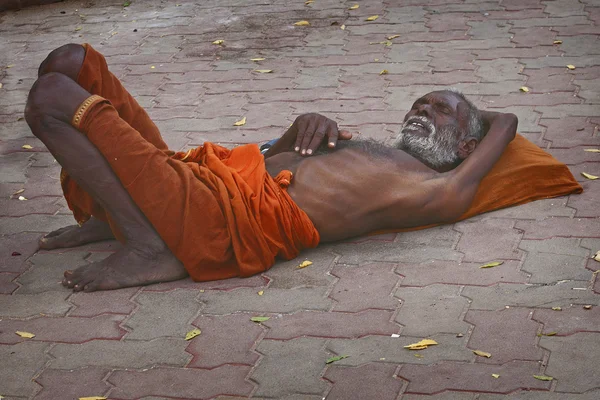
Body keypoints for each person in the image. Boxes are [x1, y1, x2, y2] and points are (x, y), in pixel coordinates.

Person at [25, 44, 517, 292]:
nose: (421, 110)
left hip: (216, 219)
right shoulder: (371, 151)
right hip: (202, 181)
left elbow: (507, 120)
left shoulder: (435, 187)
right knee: (72, 61)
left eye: (440, 110)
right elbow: (263, 165)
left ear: (466, 145)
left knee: (52, 99)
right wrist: (296, 129)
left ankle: (148, 244)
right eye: (419, 103)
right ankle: (116, 216)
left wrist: (480, 121)